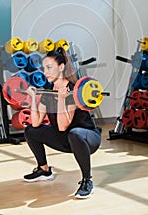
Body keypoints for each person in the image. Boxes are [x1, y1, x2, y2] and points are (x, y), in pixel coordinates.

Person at [23, 47, 101, 199]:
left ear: (61, 67)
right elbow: (36, 122)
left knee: (75, 133)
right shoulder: (48, 91)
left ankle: (87, 181)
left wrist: (62, 100)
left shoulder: (72, 90)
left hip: (87, 138)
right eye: (44, 68)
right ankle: (44, 170)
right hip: (66, 138)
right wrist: (33, 98)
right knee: (30, 130)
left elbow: (62, 125)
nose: (45, 72)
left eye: (49, 67)